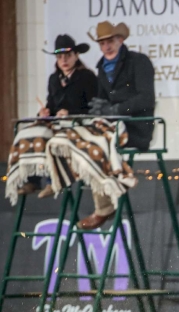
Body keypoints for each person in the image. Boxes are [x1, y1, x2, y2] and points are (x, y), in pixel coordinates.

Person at [78, 21, 155, 230]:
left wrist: (115, 110)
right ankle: (102, 195)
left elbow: (146, 99)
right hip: (113, 127)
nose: (107, 47)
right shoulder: (102, 69)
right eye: (102, 43)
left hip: (136, 127)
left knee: (98, 141)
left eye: (110, 41)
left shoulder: (138, 62)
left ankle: (107, 201)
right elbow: (104, 101)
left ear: (119, 40)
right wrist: (101, 107)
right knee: (83, 137)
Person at [18, 34, 98, 198]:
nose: (64, 60)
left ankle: (52, 181)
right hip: (57, 124)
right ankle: (31, 180)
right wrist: (45, 112)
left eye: (68, 55)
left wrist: (70, 114)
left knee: (51, 138)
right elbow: (51, 105)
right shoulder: (54, 79)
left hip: (79, 125)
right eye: (60, 56)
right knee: (30, 133)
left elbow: (94, 107)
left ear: (76, 56)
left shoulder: (87, 77)